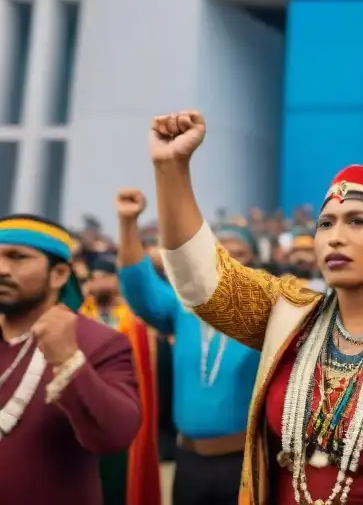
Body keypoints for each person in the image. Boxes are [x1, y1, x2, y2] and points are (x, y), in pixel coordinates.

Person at [149, 112, 363, 505]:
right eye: (325, 224)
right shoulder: (290, 315)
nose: (335, 238)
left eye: (357, 222)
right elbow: (201, 281)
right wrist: (171, 169)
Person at [115, 188, 262, 505]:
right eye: (223, 251)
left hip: (246, 463)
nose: (231, 260)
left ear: (254, 262)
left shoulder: (269, 311)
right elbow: (139, 286)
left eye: (241, 254)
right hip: (189, 461)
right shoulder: (185, 306)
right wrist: (128, 223)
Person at [0, 213, 142, 505]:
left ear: (60, 275)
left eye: (18, 257)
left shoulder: (99, 342)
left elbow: (116, 435)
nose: (1, 269)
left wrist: (67, 359)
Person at [79, 250, 162, 505]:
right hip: (87, 414)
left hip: (125, 410)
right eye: (94, 277)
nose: (99, 282)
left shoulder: (136, 323)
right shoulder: (76, 320)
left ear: (117, 280)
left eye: (106, 276)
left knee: (122, 482)